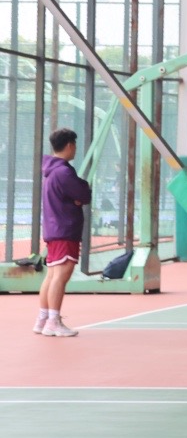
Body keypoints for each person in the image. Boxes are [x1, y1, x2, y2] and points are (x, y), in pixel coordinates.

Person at [34, 127, 91, 338]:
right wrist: (80, 195)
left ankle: (43, 318)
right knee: (61, 275)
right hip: (64, 229)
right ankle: (53, 321)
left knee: (52, 275)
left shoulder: (51, 171)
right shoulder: (64, 172)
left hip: (54, 228)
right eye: (74, 145)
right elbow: (84, 194)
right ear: (69, 145)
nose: (75, 148)